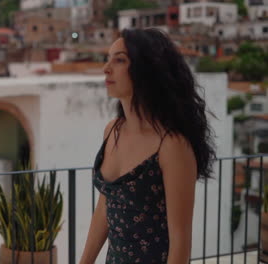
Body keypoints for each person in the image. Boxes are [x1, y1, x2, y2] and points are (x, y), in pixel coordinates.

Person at [79, 28, 216, 264]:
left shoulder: (171, 145)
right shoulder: (112, 131)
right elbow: (106, 206)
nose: (106, 68)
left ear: (146, 70)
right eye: (108, 58)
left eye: (119, 59)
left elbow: (180, 240)